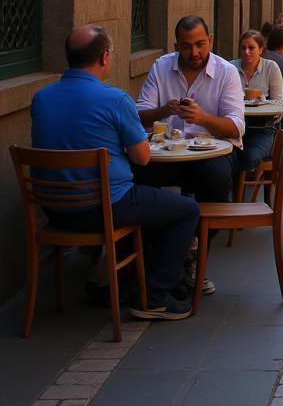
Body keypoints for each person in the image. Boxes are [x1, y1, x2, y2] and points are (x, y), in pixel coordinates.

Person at [30, 27, 197, 321]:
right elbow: (143, 158)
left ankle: (122, 280)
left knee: (151, 205)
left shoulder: (41, 98)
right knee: (186, 211)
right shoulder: (115, 99)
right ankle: (155, 297)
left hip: (54, 211)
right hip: (106, 207)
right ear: (105, 57)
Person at [135, 16, 244, 240]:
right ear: (176, 46)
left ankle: (198, 244)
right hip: (168, 156)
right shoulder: (161, 67)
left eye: (200, 44)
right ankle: (150, 245)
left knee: (215, 178)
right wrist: (164, 110)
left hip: (213, 155)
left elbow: (236, 127)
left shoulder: (226, 72)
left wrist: (202, 118)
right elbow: (138, 116)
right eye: (186, 46)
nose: (194, 52)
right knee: (136, 173)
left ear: (210, 40)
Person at [232, 30, 283, 175]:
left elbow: (278, 103)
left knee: (250, 157)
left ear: (261, 49)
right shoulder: (231, 68)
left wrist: (260, 102)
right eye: (243, 48)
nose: (246, 52)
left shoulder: (271, 67)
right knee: (224, 157)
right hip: (235, 127)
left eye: (251, 48)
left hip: (263, 127)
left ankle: (243, 191)